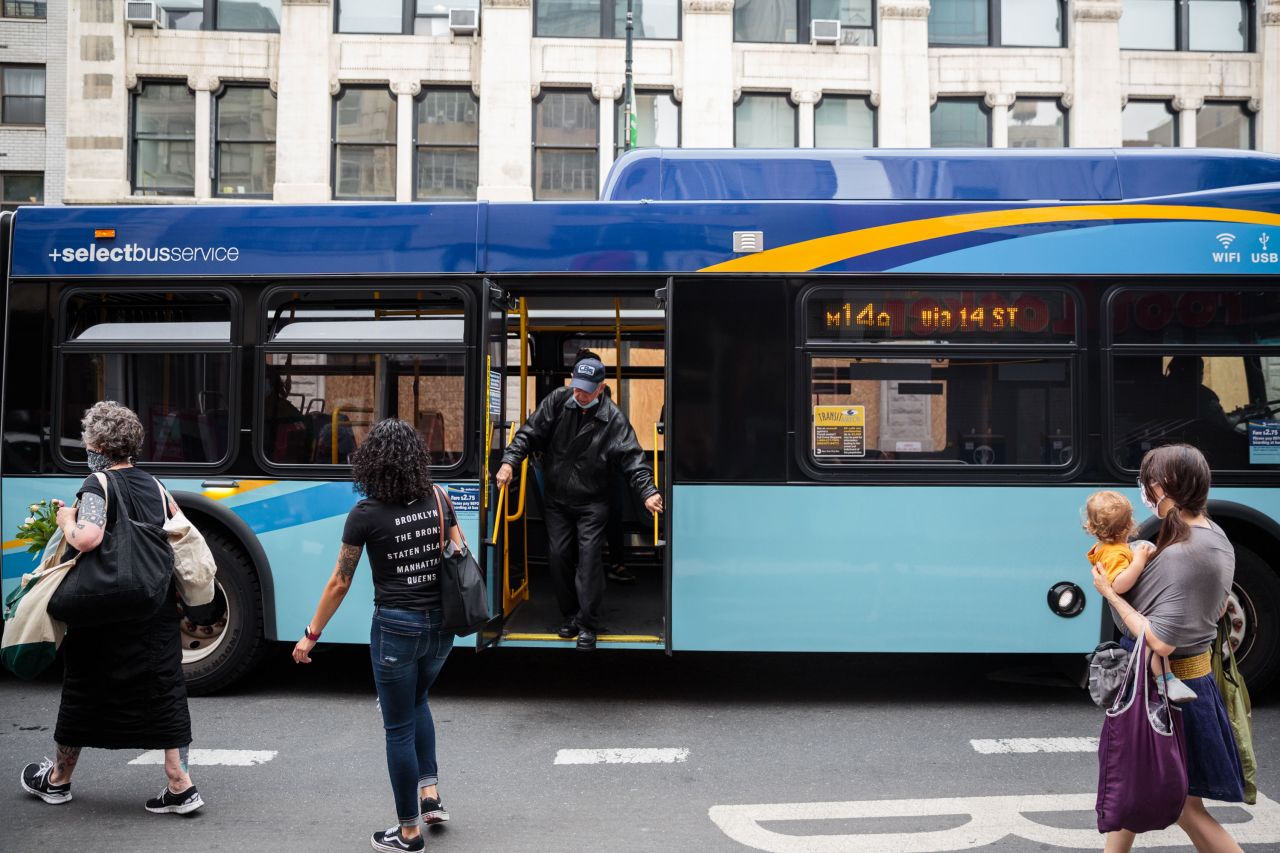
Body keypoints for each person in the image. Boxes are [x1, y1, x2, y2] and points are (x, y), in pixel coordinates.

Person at [20, 401, 203, 815]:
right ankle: (180, 784)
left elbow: (88, 539)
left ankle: (58, 780)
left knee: (85, 687)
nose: (86, 444)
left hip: (105, 606)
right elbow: (177, 530)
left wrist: (67, 519)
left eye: (88, 437)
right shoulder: (156, 485)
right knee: (164, 689)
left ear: (100, 443)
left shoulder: (97, 483)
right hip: (154, 604)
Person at [292, 418, 461, 853]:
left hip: (395, 629)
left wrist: (311, 634)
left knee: (398, 727)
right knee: (418, 701)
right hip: (441, 628)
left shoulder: (364, 514)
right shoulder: (439, 498)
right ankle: (429, 793)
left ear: (371, 463)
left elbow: (339, 582)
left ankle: (407, 833)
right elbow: (457, 554)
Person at [1092, 444, 1245, 853]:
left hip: (1168, 694)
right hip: (1166, 685)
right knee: (1134, 784)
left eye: (1147, 484)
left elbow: (1159, 639)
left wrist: (1111, 593)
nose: (1144, 492)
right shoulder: (1210, 534)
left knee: (1184, 807)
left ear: (1161, 488)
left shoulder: (1186, 554)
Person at [495, 356, 661, 649]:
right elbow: (528, 434)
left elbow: (634, 460)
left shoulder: (614, 420)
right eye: (576, 386)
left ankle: (588, 623)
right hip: (557, 499)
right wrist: (509, 461)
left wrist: (648, 492)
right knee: (558, 556)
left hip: (593, 502)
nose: (578, 394)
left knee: (589, 559)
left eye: (586, 389)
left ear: (601, 389)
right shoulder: (558, 401)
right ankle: (570, 615)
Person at [1083, 490, 1195, 704]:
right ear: (1127, 525)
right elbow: (1119, 584)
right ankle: (1165, 680)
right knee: (1151, 638)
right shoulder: (1113, 552)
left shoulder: (1109, 548)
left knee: (1149, 638)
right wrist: (1139, 560)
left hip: (1130, 611)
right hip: (1130, 615)